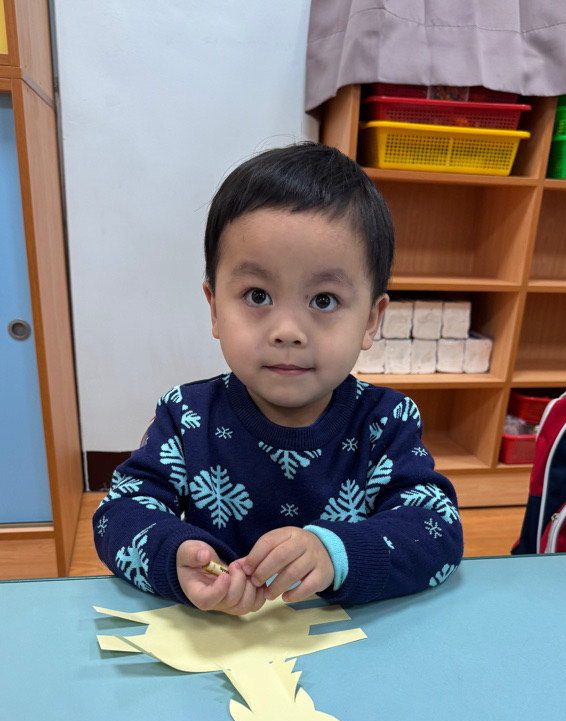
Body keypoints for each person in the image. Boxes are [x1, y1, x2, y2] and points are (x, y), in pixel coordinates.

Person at [93, 142, 463, 615]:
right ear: (214, 308)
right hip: (220, 640)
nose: (287, 331)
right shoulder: (186, 415)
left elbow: (438, 529)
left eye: (324, 300)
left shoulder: (386, 421)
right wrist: (174, 556)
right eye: (257, 295)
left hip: (349, 642)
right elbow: (118, 514)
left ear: (371, 319)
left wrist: (335, 553)